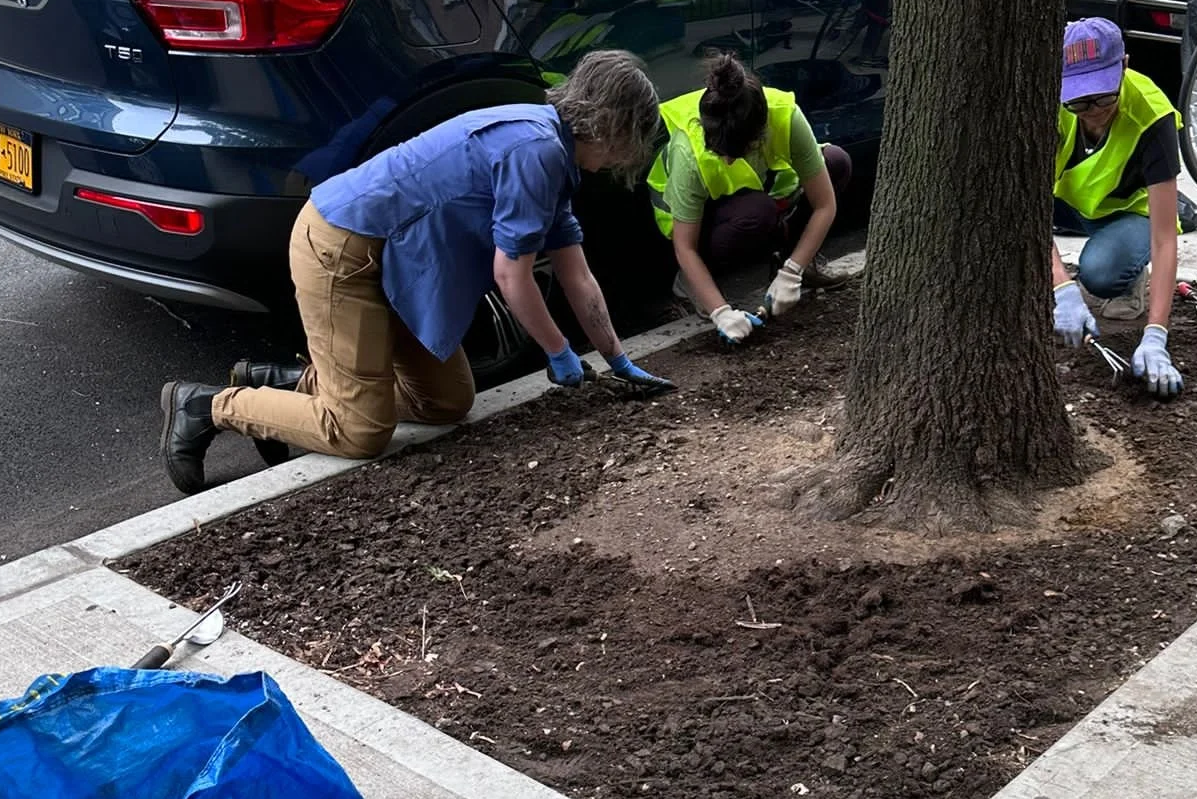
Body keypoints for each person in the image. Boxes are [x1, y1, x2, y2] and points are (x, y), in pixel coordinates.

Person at [159, 50, 673, 495]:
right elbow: (511, 275)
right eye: (634, 138)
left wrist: (618, 359)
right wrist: (557, 351)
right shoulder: (534, 150)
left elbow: (576, 273)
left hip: (392, 257)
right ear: (614, 126)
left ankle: (287, 383)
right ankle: (208, 405)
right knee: (359, 431)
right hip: (342, 247)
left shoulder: (550, 148)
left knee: (445, 401)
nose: (628, 155)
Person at [1049, 17, 1197, 401]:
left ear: (1124, 65)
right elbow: (1022, 214)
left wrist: (1156, 335)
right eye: (1079, 100)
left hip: (1127, 213)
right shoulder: (1050, 105)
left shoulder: (1152, 116)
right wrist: (1062, 286)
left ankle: (1130, 276)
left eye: (1104, 97)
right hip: (1066, 202)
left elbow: (1164, 240)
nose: (1093, 110)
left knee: (1101, 273)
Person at [647, 52, 851, 344]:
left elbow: (824, 204)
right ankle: (690, 283)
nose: (728, 161)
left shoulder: (784, 116)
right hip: (700, 223)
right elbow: (685, 246)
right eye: (720, 153)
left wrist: (793, 271)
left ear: (760, 135)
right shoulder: (688, 150)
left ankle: (796, 261)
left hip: (758, 193)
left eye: (736, 153)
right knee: (756, 212)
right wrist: (720, 312)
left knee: (835, 161)